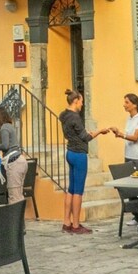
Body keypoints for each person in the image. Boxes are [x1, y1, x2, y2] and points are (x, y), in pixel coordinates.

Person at [59, 90, 110, 234]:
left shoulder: (64, 115)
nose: (82, 104)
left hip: (70, 152)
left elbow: (76, 133)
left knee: (71, 189)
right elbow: (85, 137)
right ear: (75, 101)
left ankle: (66, 222)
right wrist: (100, 131)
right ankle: (76, 224)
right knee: (78, 191)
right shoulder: (75, 117)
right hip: (79, 154)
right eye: (81, 101)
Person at [0, 106, 28, 206]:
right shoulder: (10, 126)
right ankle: (20, 221)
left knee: (14, 197)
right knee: (19, 195)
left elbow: (5, 146)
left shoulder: (4, 128)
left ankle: (15, 221)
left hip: (14, 163)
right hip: (21, 160)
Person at [111, 93, 138, 164]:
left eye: (127, 102)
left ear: (135, 105)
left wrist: (121, 135)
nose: (124, 105)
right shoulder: (129, 118)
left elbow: (135, 138)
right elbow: (128, 135)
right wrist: (117, 132)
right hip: (128, 155)